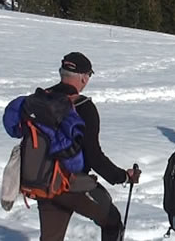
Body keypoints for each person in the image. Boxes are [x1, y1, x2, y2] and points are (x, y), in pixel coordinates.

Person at [36, 52, 142, 241]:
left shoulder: (40, 100)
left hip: (40, 181)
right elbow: (93, 156)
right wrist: (123, 176)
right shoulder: (83, 107)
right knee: (112, 222)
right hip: (71, 184)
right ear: (84, 78)